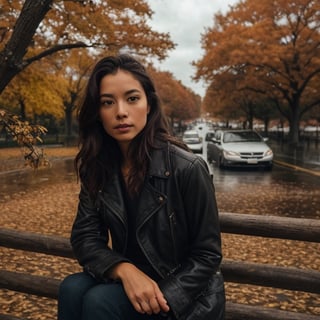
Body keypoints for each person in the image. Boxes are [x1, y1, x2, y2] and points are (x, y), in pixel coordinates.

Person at [58, 54, 225, 320]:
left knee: (99, 301)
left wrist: (164, 293)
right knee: (71, 288)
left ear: (149, 104)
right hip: (129, 278)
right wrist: (124, 269)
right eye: (107, 102)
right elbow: (85, 238)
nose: (121, 111)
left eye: (132, 98)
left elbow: (207, 255)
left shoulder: (187, 168)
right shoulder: (97, 167)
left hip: (183, 294)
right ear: (98, 113)